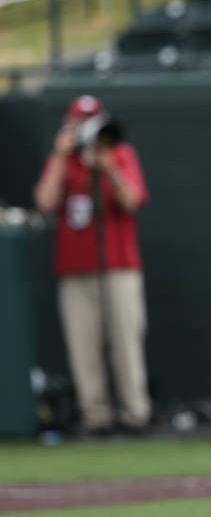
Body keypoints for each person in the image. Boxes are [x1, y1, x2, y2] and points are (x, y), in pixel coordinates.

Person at [33, 94, 153, 436]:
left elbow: (133, 200)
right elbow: (44, 201)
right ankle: (95, 416)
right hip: (75, 267)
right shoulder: (65, 160)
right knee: (83, 344)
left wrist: (108, 166)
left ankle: (135, 414)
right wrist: (59, 155)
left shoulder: (120, 153)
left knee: (126, 340)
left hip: (118, 265)